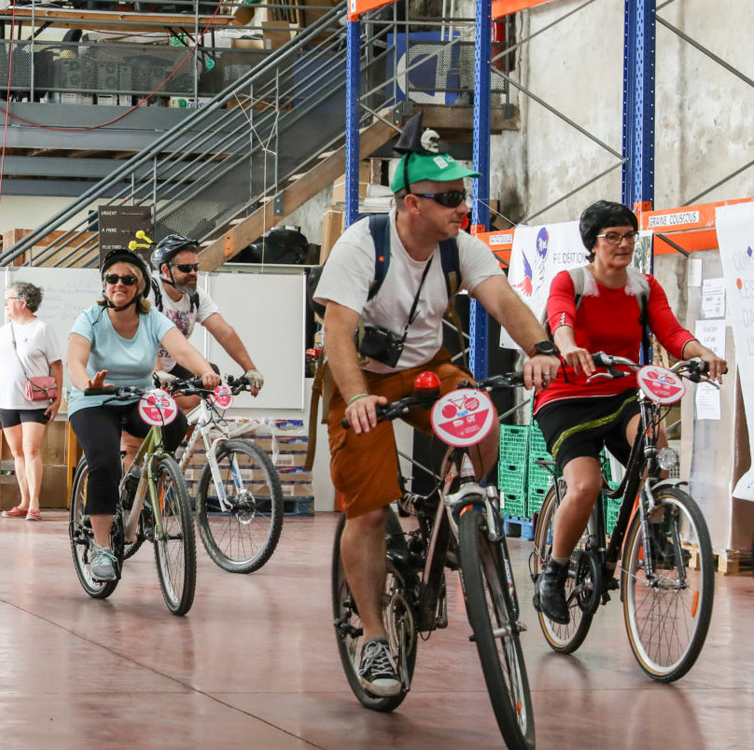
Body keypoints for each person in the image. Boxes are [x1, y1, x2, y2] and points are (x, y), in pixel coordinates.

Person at [313, 119, 561, 697]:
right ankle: (375, 638)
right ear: (409, 203)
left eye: (462, 195)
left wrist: (542, 349)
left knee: (479, 409)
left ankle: (465, 507)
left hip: (427, 371)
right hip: (364, 383)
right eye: (448, 198)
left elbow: (504, 301)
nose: (461, 207)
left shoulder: (460, 247)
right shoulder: (362, 245)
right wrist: (356, 400)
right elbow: (338, 334)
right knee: (369, 512)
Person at [532, 200, 726, 623]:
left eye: (628, 236)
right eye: (612, 237)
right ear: (593, 243)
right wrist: (569, 347)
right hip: (566, 396)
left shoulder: (643, 286)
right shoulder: (572, 281)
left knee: (654, 441)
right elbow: (560, 318)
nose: (622, 244)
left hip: (621, 392)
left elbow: (670, 331)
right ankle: (554, 570)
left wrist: (701, 352)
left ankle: (653, 531)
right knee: (584, 485)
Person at [67, 248, 220, 584]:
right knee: (105, 462)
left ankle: (139, 477)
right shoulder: (90, 317)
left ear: (140, 287)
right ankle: (104, 546)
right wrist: (87, 385)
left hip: (137, 396)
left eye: (127, 279)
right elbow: (75, 361)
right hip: (94, 400)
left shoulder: (153, 320)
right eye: (112, 278)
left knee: (174, 423)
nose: (118, 284)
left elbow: (182, 349)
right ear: (104, 284)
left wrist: (206, 372)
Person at [149, 232, 264, 411]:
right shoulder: (150, 292)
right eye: (186, 268)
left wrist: (250, 369)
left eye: (195, 267)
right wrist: (157, 371)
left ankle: (181, 437)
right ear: (165, 270)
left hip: (170, 367)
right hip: (142, 367)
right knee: (158, 415)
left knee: (209, 378)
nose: (193, 273)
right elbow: (143, 335)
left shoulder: (196, 296)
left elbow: (224, 332)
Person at [0, 281, 63, 522]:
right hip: (5, 401)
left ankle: (35, 504)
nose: (5, 304)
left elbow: (57, 366)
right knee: (17, 453)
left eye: (8, 299)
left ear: (23, 302)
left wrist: (57, 399)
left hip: (35, 402)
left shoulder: (42, 329)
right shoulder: (3, 331)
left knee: (31, 450)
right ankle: (23, 501)